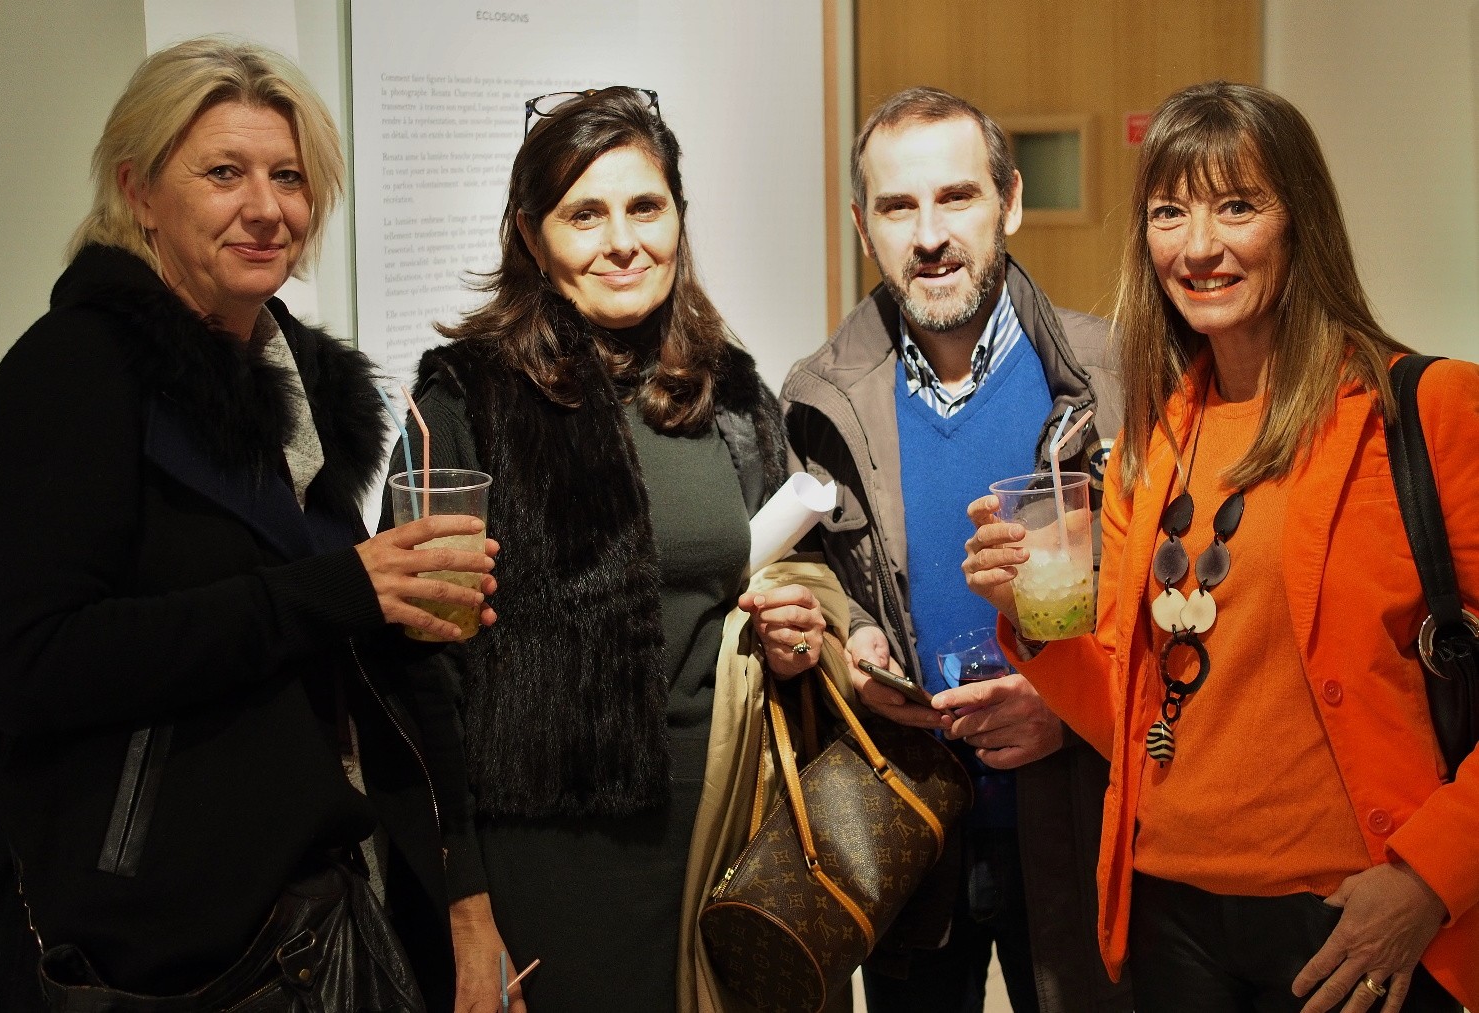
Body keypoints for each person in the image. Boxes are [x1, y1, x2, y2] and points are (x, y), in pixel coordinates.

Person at [0, 37, 498, 1012]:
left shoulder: (294, 381)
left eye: (288, 177)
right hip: (143, 954)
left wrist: (463, 902)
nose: (266, 208)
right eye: (224, 173)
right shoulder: (74, 372)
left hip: (309, 918)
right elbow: (28, 664)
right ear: (138, 192)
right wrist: (332, 591)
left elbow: (340, 651)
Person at [962, 81, 1479, 1012]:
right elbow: (1130, 711)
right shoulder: (1153, 444)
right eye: (1170, 213)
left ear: (1300, 221)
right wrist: (1030, 620)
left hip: (1350, 914)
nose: (1198, 247)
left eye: (1237, 206)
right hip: (1171, 913)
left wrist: (1429, 880)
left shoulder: (1425, 412)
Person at [387, 86, 840, 1012]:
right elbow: (421, 681)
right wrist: (464, 909)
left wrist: (797, 631)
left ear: (678, 216)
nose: (623, 241)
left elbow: (778, 580)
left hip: (731, 833)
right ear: (531, 233)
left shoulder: (728, 389)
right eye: (584, 214)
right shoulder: (466, 399)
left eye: (646, 206)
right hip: (553, 869)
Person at [782, 86, 1131, 1013]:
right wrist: (846, 646)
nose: (930, 234)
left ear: (1009, 202)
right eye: (898, 206)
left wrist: (1069, 704)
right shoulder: (817, 399)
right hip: (913, 826)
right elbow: (815, 578)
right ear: (863, 226)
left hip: (1080, 816)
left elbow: (1175, 612)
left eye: (957, 197)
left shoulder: (1120, 375)